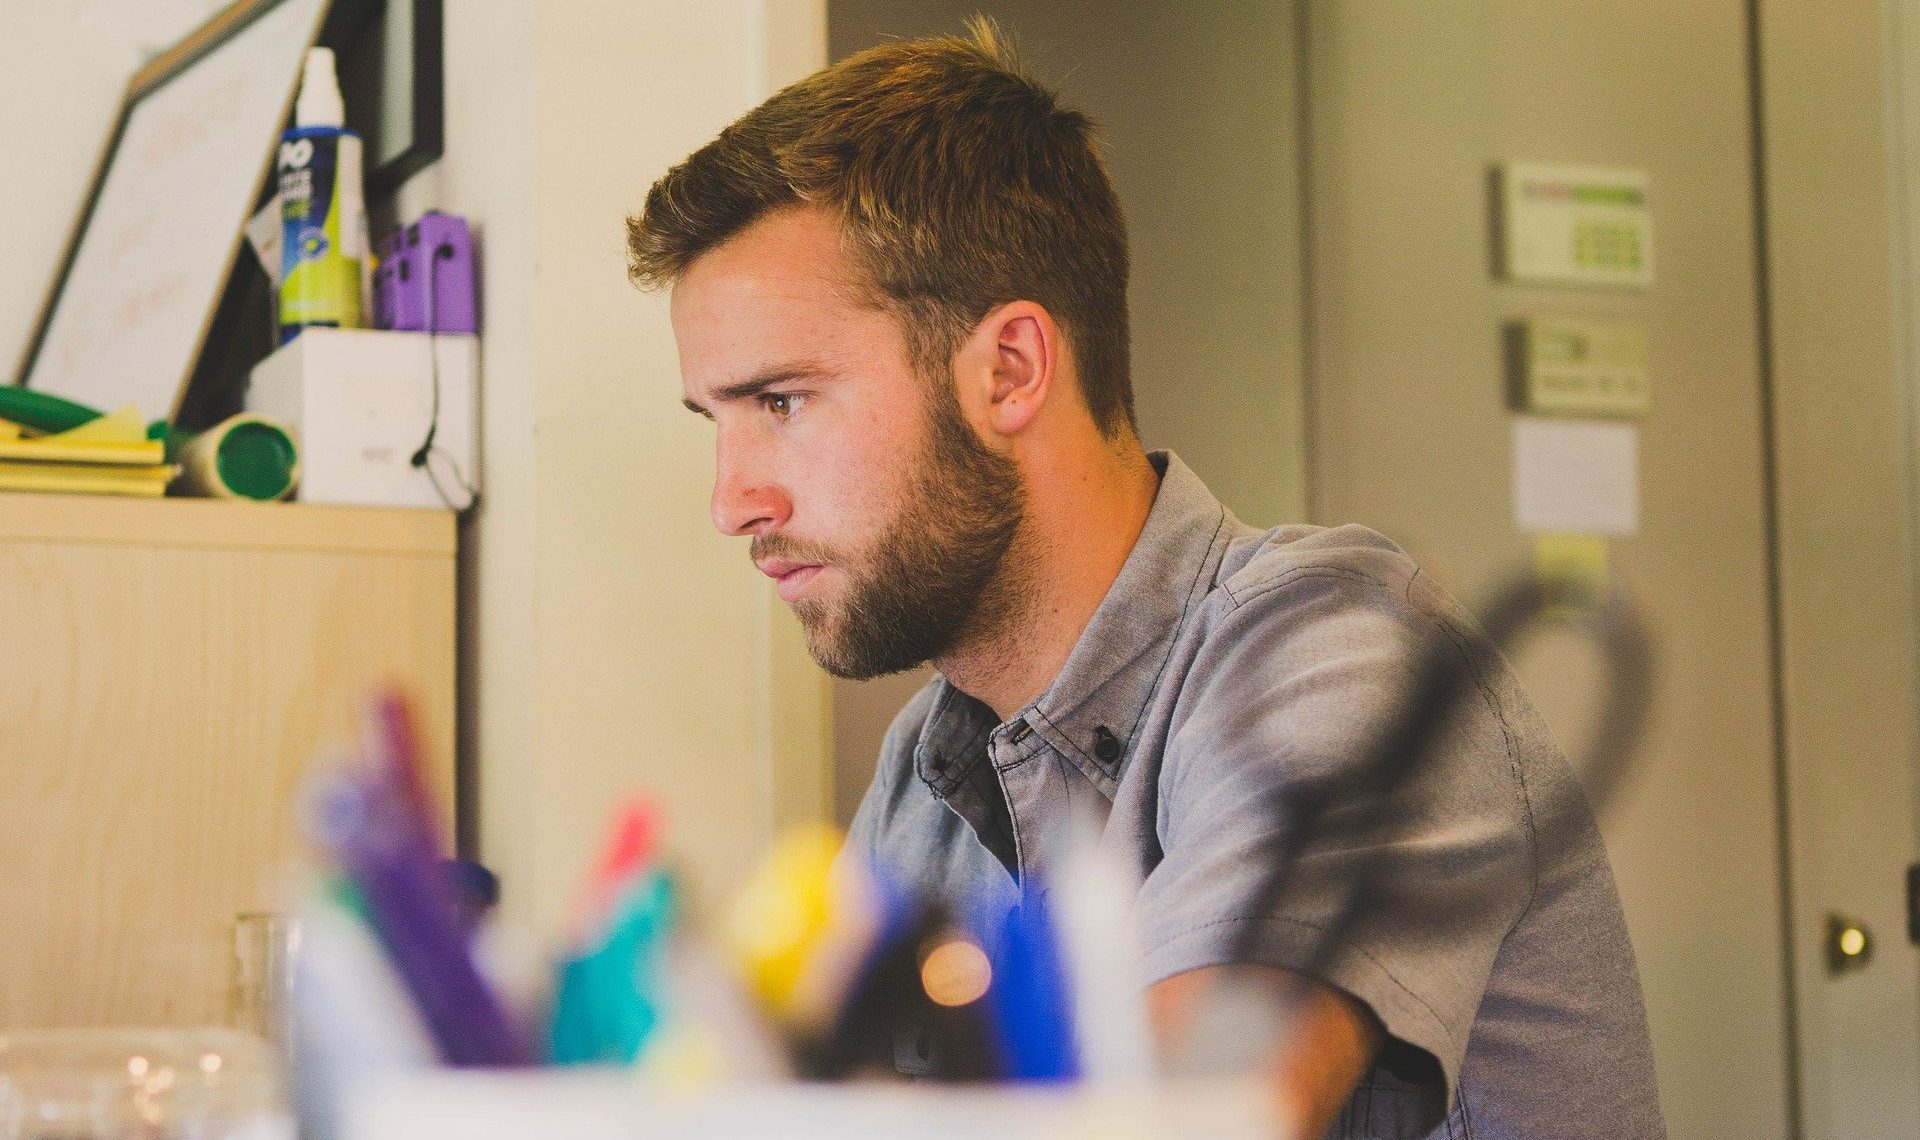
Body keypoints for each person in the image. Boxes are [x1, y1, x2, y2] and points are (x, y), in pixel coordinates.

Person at [627, 21, 1664, 1140]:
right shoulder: (924, 776)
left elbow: (1193, 1117)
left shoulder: (1340, 651)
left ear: (1010, 370)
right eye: (715, 421)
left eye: (780, 402)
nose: (734, 501)